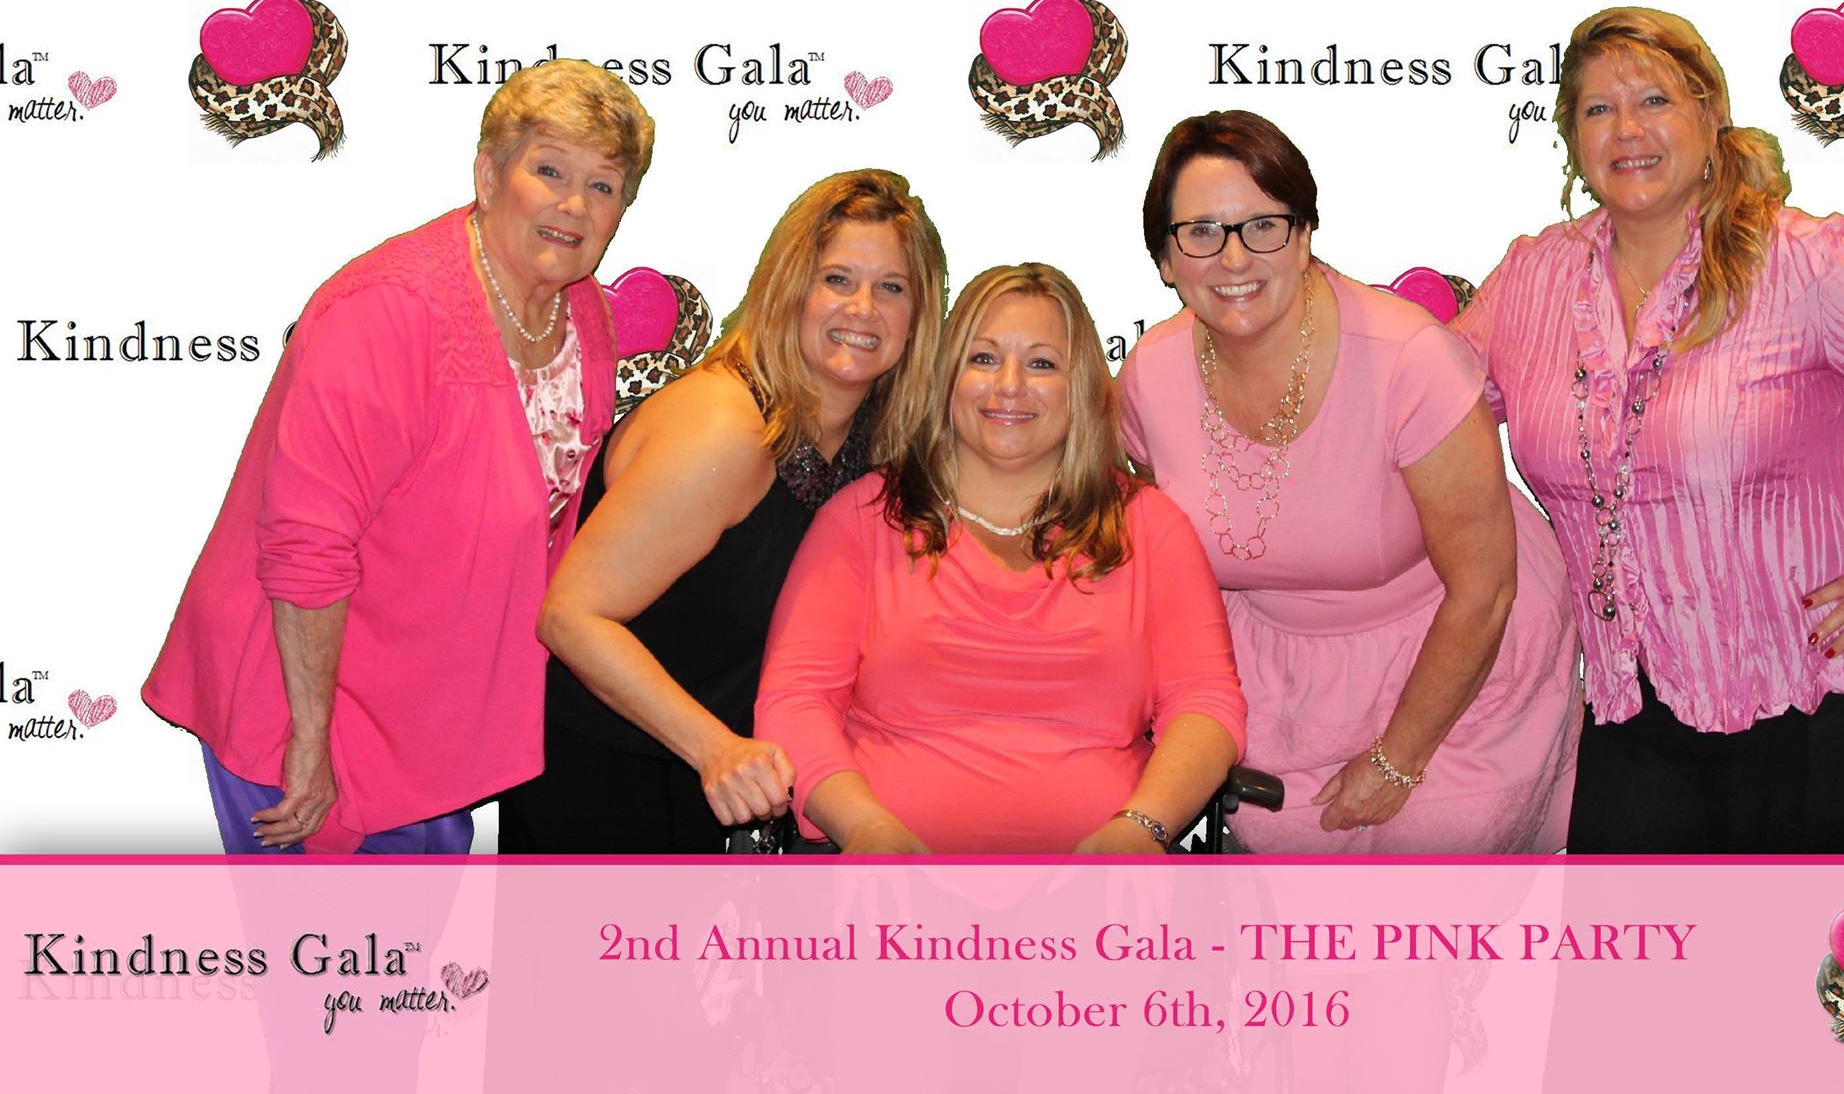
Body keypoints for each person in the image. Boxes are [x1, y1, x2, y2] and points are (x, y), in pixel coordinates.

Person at [1454, 6, 1844, 852]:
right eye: (1598, 108)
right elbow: (1425, 413)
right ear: (1573, 139)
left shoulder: (1799, 261)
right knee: (1639, 942)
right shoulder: (1530, 280)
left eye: (1655, 100)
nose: (1627, 129)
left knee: (1808, 944)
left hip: (1818, 706)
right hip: (1632, 709)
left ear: (1710, 115)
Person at [144, 60, 650, 852]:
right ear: (489, 174)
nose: (573, 205)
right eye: (549, 170)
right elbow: (306, 545)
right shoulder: (388, 311)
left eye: (603, 185)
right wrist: (308, 741)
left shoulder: (584, 311)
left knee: (410, 929)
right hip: (302, 702)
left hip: (425, 709)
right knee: (337, 933)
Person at [1118, 110, 1581, 853]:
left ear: (1304, 236)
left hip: (1457, 656)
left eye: (1263, 226)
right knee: (1303, 898)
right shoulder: (1149, 376)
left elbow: (1486, 589)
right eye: (1200, 232)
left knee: (1434, 867)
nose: (1233, 257)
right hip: (1277, 680)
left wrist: (1398, 760)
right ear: (1165, 259)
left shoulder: (1411, 360)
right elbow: (1156, 561)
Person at [497, 171, 946, 852]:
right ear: (790, 287)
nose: (862, 308)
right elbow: (570, 617)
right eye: (837, 279)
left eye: (891, 287)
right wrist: (714, 748)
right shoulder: (725, 427)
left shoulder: (869, 436)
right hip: (603, 792)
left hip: (710, 789)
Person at [756, 263, 1247, 854]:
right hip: (886, 879)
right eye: (983, 358)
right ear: (948, 377)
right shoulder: (861, 519)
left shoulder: (1151, 527)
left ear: (1080, 385)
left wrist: (1142, 829)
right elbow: (796, 700)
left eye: (1042, 364)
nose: (1009, 385)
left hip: (1104, 887)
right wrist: (865, 828)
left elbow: (1204, 703)